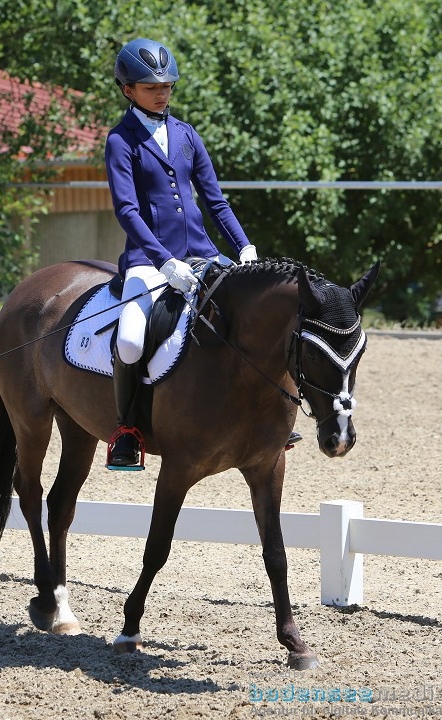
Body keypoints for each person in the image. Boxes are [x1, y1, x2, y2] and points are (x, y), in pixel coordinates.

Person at [104, 37, 296, 470]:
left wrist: (244, 247)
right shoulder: (121, 140)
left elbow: (215, 201)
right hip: (149, 262)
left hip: (205, 255)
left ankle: (268, 418)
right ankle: (127, 430)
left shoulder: (186, 134)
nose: (163, 92)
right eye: (152, 87)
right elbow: (127, 210)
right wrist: (163, 262)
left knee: (254, 319)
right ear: (127, 90)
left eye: (167, 85)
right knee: (132, 340)